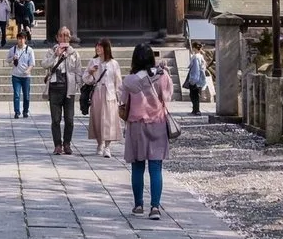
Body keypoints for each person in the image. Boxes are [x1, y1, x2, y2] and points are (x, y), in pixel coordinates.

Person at [120, 43, 173, 221]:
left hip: (136, 125)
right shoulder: (162, 75)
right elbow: (167, 97)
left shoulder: (129, 80)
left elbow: (123, 102)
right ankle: (155, 207)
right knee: (156, 167)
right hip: (157, 123)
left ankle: (138, 205)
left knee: (137, 166)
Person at [44, 26, 82, 155]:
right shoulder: (51, 51)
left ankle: (67, 143)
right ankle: (57, 145)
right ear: (57, 37)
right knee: (55, 119)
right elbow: (44, 64)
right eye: (61, 35)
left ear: (70, 38)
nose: (64, 38)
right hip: (55, 87)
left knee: (69, 119)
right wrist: (56, 55)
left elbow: (78, 71)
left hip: (68, 87)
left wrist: (80, 86)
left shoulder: (74, 53)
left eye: (66, 35)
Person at [85, 38, 123, 157]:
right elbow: (86, 79)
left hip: (110, 93)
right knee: (97, 118)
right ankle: (99, 143)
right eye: (97, 46)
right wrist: (90, 72)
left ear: (106, 48)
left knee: (109, 120)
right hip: (97, 92)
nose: (98, 48)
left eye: (100, 46)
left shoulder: (114, 63)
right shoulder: (93, 61)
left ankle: (107, 146)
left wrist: (120, 97)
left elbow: (118, 82)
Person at [8, 29, 35, 118]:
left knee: (26, 95)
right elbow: (7, 60)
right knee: (16, 94)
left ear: (25, 39)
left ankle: (25, 111)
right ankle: (17, 112)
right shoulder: (13, 49)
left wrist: (28, 70)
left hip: (26, 76)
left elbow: (32, 63)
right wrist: (12, 58)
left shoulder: (29, 50)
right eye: (19, 38)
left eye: (22, 38)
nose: (21, 40)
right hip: (16, 76)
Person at [184, 41, 208, 116]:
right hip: (200, 78)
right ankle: (195, 110)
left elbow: (196, 69)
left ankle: (196, 110)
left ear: (194, 48)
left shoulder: (196, 57)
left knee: (193, 95)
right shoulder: (200, 56)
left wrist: (193, 80)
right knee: (195, 95)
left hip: (195, 78)